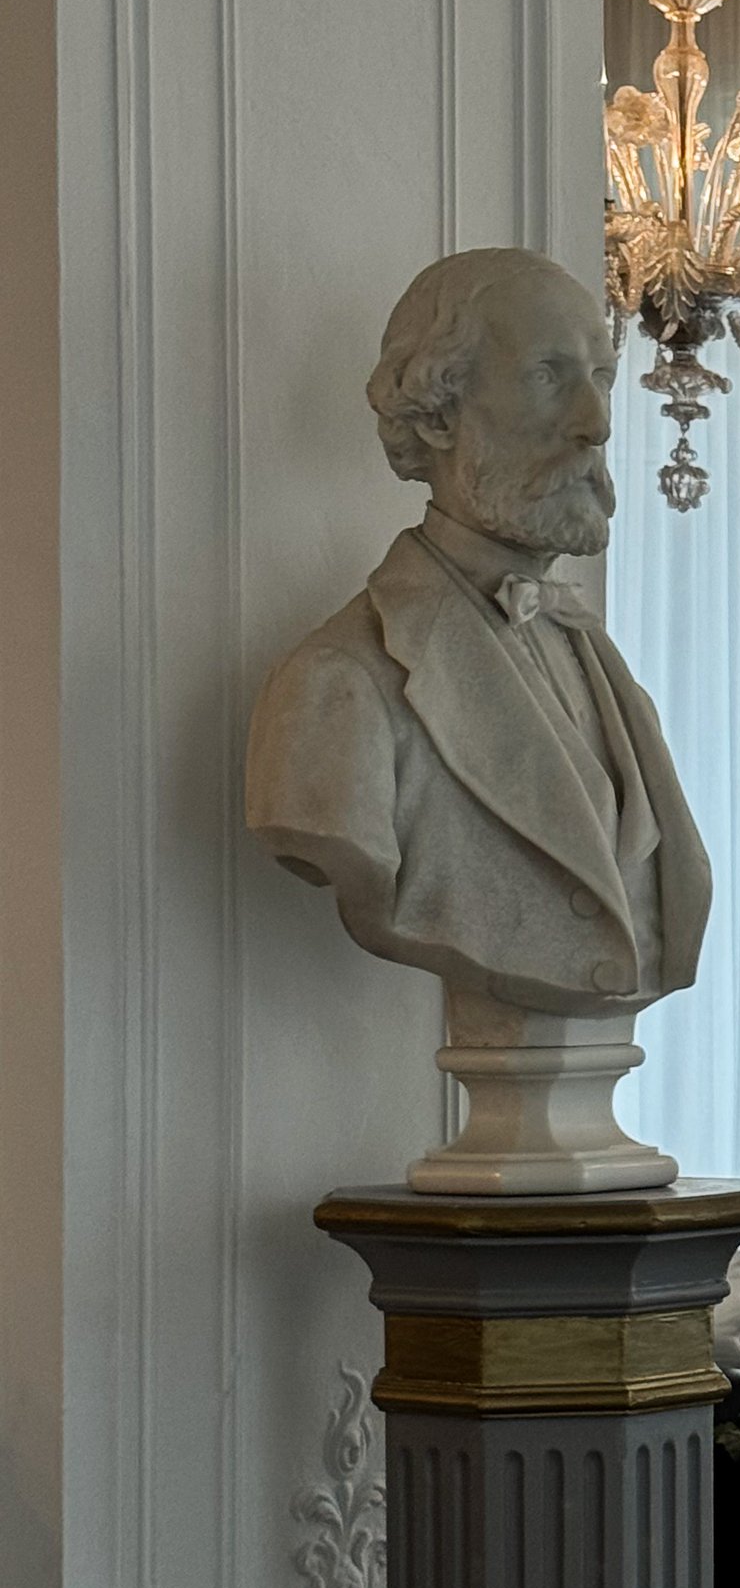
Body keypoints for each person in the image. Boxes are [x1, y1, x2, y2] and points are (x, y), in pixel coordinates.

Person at [247, 247, 710, 1018]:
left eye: (600, 377)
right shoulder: (339, 685)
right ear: (437, 412)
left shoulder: (599, 662)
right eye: (547, 375)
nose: (595, 424)